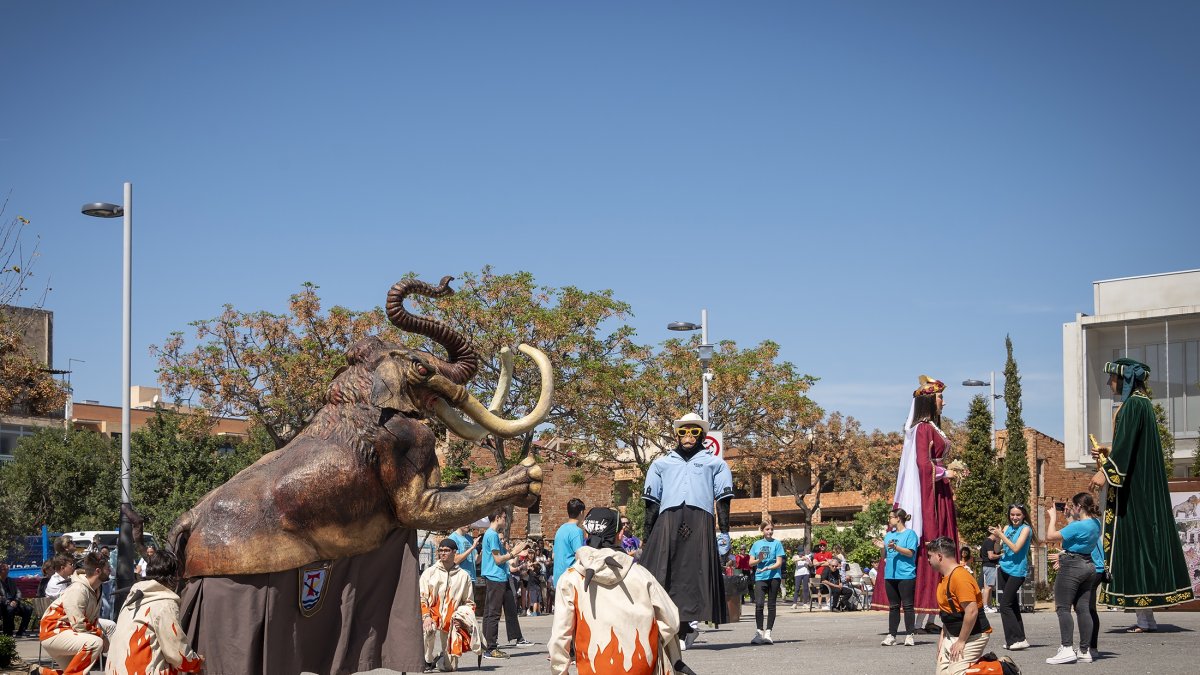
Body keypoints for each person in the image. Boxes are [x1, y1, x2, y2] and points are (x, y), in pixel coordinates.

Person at [1092, 358, 1194, 614]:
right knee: (1140, 545)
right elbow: (1131, 445)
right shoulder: (1142, 404)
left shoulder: (1133, 406)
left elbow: (1126, 447)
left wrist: (1106, 472)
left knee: (1137, 544)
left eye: (1111, 378)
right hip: (1141, 484)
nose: (1108, 383)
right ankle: (1145, 617)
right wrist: (1108, 451)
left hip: (1136, 489)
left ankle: (1145, 612)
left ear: (1124, 380)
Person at [548, 507, 694, 675]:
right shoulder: (641, 574)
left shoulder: (571, 579)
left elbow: (560, 636)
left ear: (587, 534)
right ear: (619, 535)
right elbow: (671, 621)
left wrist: (561, 671)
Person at [871, 375, 964, 621]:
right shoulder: (923, 429)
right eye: (941, 397)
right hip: (931, 495)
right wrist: (947, 472)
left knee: (943, 543)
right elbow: (924, 466)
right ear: (929, 400)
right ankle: (927, 611)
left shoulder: (932, 428)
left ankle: (933, 614)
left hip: (939, 492)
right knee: (934, 542)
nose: (944, 402)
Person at [640, 412, 734, 649]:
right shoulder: (661, 463)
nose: (688, 436)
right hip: (668, 521)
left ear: (702, 435)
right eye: (683, 431)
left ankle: (688, 628)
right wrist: (646, 537)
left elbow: (723, 500)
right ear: (677, 435)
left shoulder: (715, 463)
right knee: (665, 574)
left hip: (700, 520)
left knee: (695, 574)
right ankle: (674, 629)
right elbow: (651, 503)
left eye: (694, 431)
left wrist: (724, 532)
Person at [104, 549, 203, 675]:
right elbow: (176, 652)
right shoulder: (165, 603)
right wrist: (196, 662)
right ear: (175, 576)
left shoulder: (133, 597)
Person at [1042, 493, 1102, 665]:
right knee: (1083, 608)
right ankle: (1085, 650)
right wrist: (1069, 518)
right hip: (1088, 565)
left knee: (1063, 608)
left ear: (1079, 507)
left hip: (1072, 566)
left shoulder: (1079, 525)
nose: (1071, 509)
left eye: (1073, 506)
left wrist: (1053, 518)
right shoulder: (1095, 523)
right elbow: (1077, 538)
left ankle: (1067, 648)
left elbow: (1050, 536)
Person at [35, 551, 110, 675]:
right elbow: (79, 624)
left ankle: (41, 673)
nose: (111, 570)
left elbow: (92, 620)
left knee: (77, 672)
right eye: (108, 568)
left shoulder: (96, 589)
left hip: (68, 633)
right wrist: (101, 636)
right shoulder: (78, 589)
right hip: (54, 631)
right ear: (98, 571)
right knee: (95, 643)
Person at [928, 536, 991, 675]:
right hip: (953, 635)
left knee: (956, 673)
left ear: (939, 556)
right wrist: (942, 639)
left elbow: (972, 611)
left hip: (973, 636)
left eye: (929, 556)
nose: (928, 560)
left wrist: (961, 642)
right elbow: (948, 614)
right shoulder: (945, 577)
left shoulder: (960, 577)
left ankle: (1001, 670)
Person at [418, 538, 481, 672]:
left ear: (454, 552)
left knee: (450, 668)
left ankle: (441, 659)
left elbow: (469, 603)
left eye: (446, 550)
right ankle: (427, 660)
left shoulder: (464, 576)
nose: (443, 553)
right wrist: (426, 616)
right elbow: (421, 597)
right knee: (427, 630)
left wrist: (461, 620)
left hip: (451, 621)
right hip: (431, 617)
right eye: (441, 550)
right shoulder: (429, 572)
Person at [479, 510, 530, 659]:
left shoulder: (490, 534)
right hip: (496, 576)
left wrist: (512, 552)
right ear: (497, 518)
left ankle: (487, 645)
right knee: (494, 613)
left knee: (489, 613)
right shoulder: (493, 535)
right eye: (504, 517)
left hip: (495, 576)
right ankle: (491, 648)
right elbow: (498, 560)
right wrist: (514, 552)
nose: (505, 520)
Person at [991, 504, 1033, 650]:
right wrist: (997, 538)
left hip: (1017, 571)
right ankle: (1017, 639)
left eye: (1018, 515)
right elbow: (998, 549)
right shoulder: (1007, 528)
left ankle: (1017, 639)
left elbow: (1016, 548)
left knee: (1004, 606)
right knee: (1012, 605)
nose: (1014, 518)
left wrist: (1001, 535)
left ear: (1023, 516)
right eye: (1012, 515)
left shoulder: (1026, 529)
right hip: (1004, 568)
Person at [876, 508, 918, 647]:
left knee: (907, 606)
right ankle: (891, 635)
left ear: (898, 518)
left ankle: (909, 635)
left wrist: (896, 547)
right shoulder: (888, 535)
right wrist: (882, 547)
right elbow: (884, 556)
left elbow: (910, 553)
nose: (889, 520)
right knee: (893, 606)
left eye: (890, 517)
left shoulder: (910, 534)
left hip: (906, 574)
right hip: (890, 575)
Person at [748, 518, 785, 644]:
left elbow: (779, 563)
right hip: (760, 577)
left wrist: (768, 567)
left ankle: (768, 632)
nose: (770, 532)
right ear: (762, 530)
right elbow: (750, 562)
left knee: (771, 605)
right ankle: (759, 633)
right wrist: (759, 560)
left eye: (771, 529)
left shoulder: (777, 544)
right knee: (759, 604)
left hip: (774, 577)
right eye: (767, 529)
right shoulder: (756, 544)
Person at [552, 498, 586, 589]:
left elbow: (554, 555)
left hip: (558, 579)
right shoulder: (577, 531)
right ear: (582, 512)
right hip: (570, 580)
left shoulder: (560, 529)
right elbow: (579, 557)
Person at [1, 562, 33, 638]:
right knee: (10, 609)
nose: (7, 570)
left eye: (7, 569)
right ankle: (8, 632)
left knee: (28, 609)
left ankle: (21, 631)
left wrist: (16, 601)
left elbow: (18, 592)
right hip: (3, 604)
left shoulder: (11, 581)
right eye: (4, 569)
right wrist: (8, 602)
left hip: (14, 602)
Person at [979, 531, 1001, 613]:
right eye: (998, 535)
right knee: (988, 587)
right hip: (990, 566)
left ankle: (988, 606)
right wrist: (1000, 555)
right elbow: (991, 556)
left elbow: (981, 554)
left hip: (986, 566)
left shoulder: (986, 541)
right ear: (994, 534)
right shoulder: (990, 542)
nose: (999, 537)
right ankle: (985, 607)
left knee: (988, 587)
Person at [812, 540, 833, 608]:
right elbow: (814, 563)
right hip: (818, 574)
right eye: (821, 545)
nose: (822, 547)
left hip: (827, 574)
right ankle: (819, 603)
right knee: (819, 589)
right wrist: (823, 562)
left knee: (827, 588)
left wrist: (819, 563)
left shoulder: (829, 553)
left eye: (823, 545)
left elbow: (829, 563)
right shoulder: (816, 555)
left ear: (826, 546)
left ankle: (827, 603)